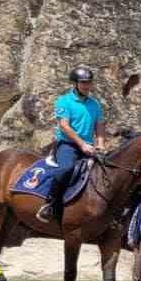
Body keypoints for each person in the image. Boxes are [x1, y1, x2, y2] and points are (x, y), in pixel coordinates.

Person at [37, 66, 104, 225]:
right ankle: (50, 204)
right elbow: (64, 126)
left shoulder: (94, 104)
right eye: (83, 83)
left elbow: (99, 125)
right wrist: (82, 145)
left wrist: (101, 143)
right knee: (66, 168)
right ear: (75, 83)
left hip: (88, 146)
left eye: (89, 82)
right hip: (68, 145)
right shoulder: (64, 101)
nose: (87, 86)